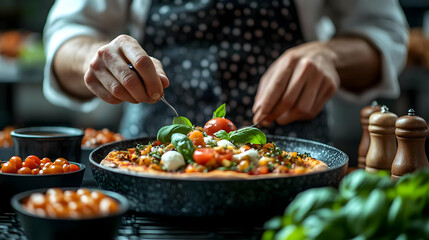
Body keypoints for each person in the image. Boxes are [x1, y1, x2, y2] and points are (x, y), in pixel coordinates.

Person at [43, 0, 408, 143]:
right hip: (149, 159)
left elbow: (385, 33)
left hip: (294, 164)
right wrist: (95, 56)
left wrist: (331, 55)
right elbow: (67, 35)